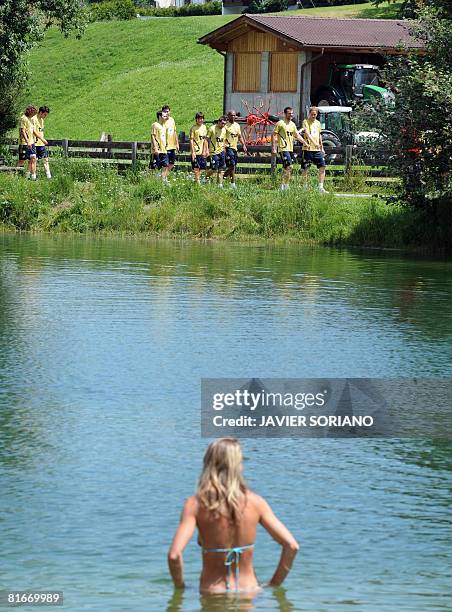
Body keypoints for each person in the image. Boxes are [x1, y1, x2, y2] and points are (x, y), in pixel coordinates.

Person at [168, 438, 299, 593]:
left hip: (212, 592)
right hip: (249, 591)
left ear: (208, 464)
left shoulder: (195, 504)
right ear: (237, 466)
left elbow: (174, 555)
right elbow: (291, 546)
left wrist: (180, 587)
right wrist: (274, 584)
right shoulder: (256, 502)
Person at [272, 107, 308, 191]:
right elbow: (273, 135)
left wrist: (304, 142)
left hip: (290, 149)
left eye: (292, 113)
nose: (291, 115)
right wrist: (274, 148)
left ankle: (283, 186)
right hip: (283, 148)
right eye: (289, 113)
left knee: (286, 167)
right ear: (285, 114)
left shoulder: (292, 124)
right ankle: (285, 186)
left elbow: (297, 135)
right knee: (289, 166)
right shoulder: (280, 123)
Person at [300, 106, 328, 193]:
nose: (313, 116)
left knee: (322, 166)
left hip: (317, 150)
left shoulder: (318, 123)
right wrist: (314, 143)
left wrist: (321, 147)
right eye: (312, 114)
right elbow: (307, 133)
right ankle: (304, 187)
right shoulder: (305, 122)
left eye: (315, 115)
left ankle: (320, 187)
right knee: (305, 168)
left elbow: (319, 135)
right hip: (308, 149)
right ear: (309, 114)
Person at [224, 110, 247, 189]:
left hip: (234, 148)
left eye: (234, 115)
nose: (233, 117)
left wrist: (243, 144)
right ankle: (227, 180)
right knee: (232, 165)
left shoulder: (237, 125)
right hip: (227, 147)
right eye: (231, 115)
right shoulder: (225, 125)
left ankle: (229, 182)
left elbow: (240, 136)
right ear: (228, 116)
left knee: (233, 166)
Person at [17, 105, 38, 179]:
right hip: (24, 143)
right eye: (33, 112)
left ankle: (32, 177)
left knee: (33, 158)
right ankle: (17, 175)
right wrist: (27, 141)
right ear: (30, 111)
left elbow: (32, 131)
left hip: (32, 143)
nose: (34, 114)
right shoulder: (23, 118)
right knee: (22, 161)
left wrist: (37, 139)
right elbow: (22, 131)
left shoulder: (31, 119)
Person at [206, 116, 227, 188]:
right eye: (222, 123)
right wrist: (206, 149)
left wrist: (224, 149)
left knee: (221, 169)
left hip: (221, 152)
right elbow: (206, 139)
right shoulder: (212, 129)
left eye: (224, 123)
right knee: (214, 169)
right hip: (213, 152)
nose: (223, 125)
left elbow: (224, 140)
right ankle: (205, 178)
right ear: (218, 122)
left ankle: (220, 185)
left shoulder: (224, 130)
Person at [31, 106, 51, 179]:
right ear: (40, 112)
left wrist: (42, 140)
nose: (45, 116)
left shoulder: (42, 120)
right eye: (45, 114)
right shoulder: (33, 119)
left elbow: (40, 131)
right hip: (34, 143)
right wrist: (42, 139)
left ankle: (49, 177)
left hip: (41, 143)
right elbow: (33, 131)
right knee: (33, 160)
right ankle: (33, 177)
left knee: (45, 159)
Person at [150, 110, 170, 184]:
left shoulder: (164, 126)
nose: (166, 117)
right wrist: (155, 148)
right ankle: (152, 182)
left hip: (163, 150)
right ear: (159, 116)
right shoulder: (155, 125)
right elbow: (153, 136)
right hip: (157, 150)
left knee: (166, 165)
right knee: (154, 167)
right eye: (164, 116)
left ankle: (163, 180)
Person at [189, 112, 208, 184]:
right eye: (199, 118)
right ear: (196, 119)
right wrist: (193, 152)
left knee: (201, 168)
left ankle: (197, 180)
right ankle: (198, 182)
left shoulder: (204, 127)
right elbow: (191, 140)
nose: (201, 120)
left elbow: (205, 139)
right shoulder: (193, 128)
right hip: (196, 151)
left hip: (202, 151)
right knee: (196, 167)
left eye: (202, 118)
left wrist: (206, 150)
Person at [162, 105, 179, 174]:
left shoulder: (172, 120)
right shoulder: (161, 121)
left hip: (172, 146)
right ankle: (163, 179)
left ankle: (163, 176)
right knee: (165, 164)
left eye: (167, 111)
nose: (166, 113)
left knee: (171, 164)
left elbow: (174, 132)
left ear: (170, 112)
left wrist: (177, 143)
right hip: (165, 146)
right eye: (165, 111)